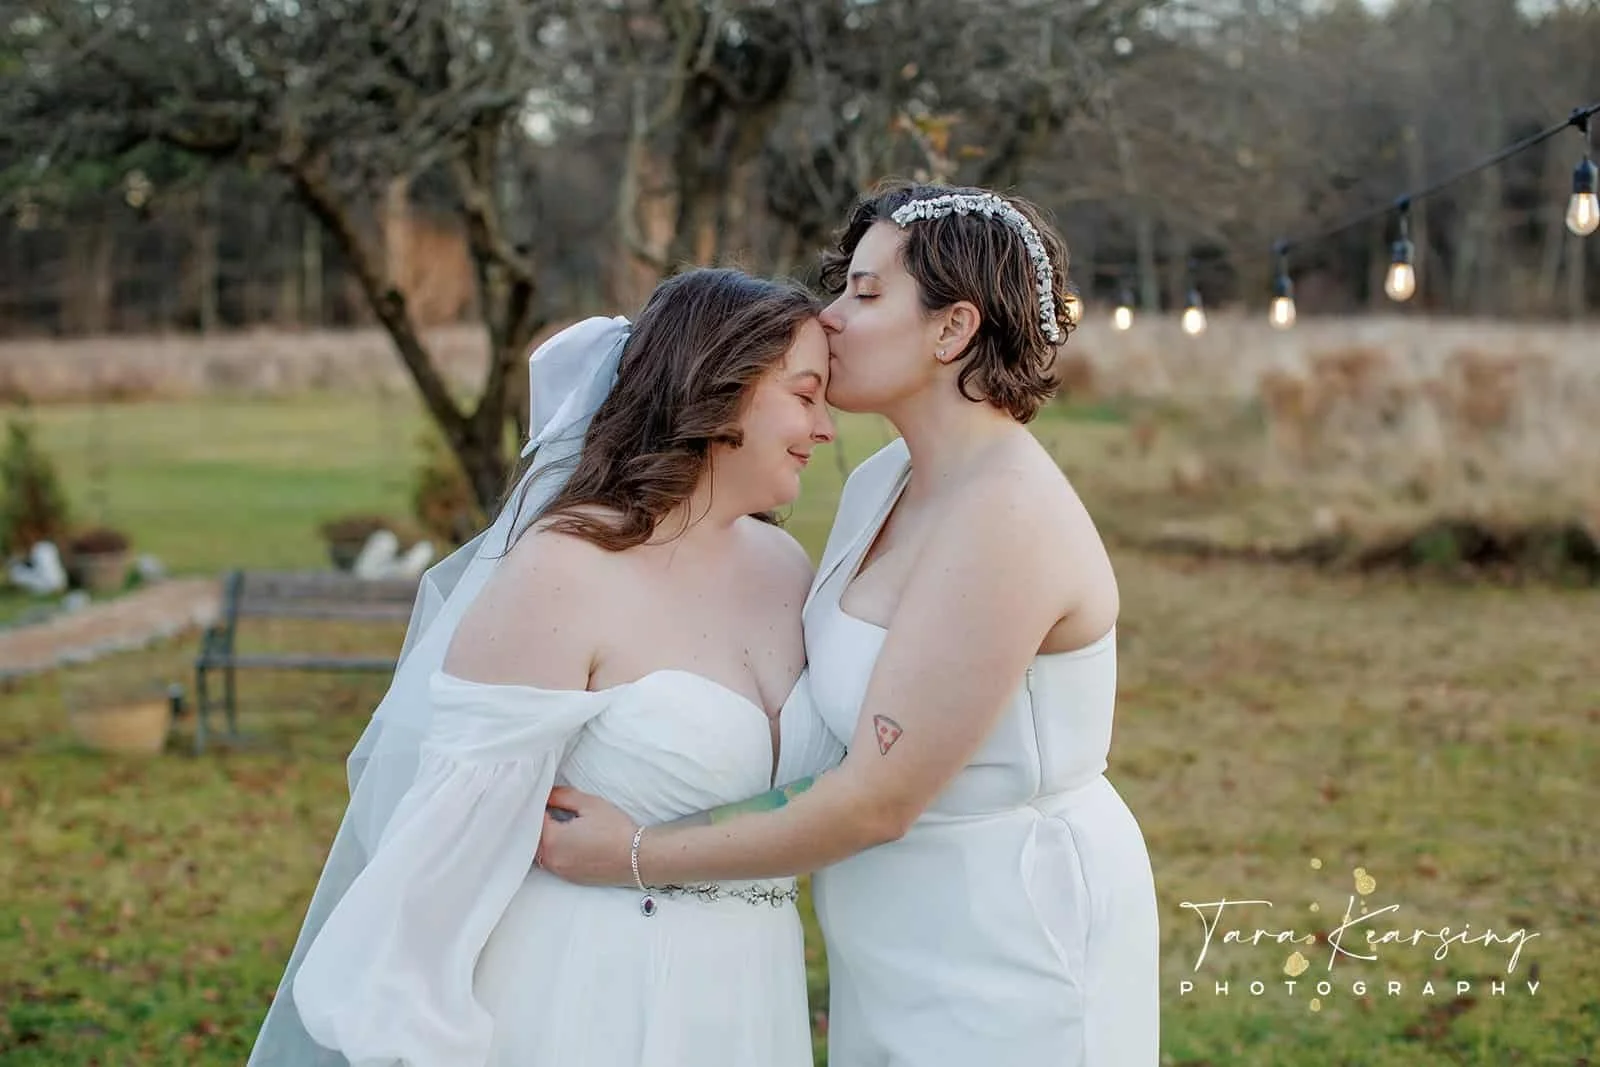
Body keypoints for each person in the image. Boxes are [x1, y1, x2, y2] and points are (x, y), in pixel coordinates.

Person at [537, 182, 1161, 1066]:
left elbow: (877, 795)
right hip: (886, 925)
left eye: (866, 293)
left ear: (953, 330)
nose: (828, 319)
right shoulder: (883, 484)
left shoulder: (1006, 522)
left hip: (1008, 932)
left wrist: (633, 851)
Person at [246, 267, 838, 1067]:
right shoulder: (565, 569)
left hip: (750, 1003)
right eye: (805, 395)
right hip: (585, 999)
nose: (826, 425)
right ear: (720, 387)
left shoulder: (787, 567)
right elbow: (442, 857)